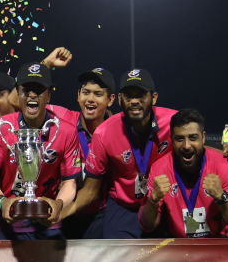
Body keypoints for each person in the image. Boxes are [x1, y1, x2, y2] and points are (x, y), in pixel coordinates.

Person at [61, 69, 175, 238]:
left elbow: (199, 148)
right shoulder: (104, 132)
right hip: (124, 205)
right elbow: (91, 190)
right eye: (129, 96)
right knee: (117, 256)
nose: (134, 101)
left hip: (164, 200)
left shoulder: (173, 122)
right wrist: (61, 213)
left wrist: (227, 155)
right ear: (120, 99)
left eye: (141, 95)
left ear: (154, 98)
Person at [0, 62, 81, 240]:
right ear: (18, 94)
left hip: (47, 223)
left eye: (39, 89)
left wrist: (59, 204)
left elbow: (69, 183)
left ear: (49, 95)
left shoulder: (65, 131)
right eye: (26, 89)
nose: (32, 95)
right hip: (5, 224)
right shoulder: (1, 127)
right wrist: (2, 201)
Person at [139, 109, 228, 238]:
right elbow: (146, 226)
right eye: (179, 139)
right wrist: (153, 201)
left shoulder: (223, 165)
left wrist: (221, 197)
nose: (187, 145)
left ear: (203, 137)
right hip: (180, 247)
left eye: (193, 138)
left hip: (219, 244)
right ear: (171, 139)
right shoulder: (159, 169)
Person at [57, 67, 118, 239]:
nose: (90, 99)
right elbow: (23, 101)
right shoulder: (64, 120)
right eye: (86, 92)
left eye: (98, 94)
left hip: (103, 216)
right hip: (65, 213)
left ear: (110, 99)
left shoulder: (118, 130)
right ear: (78, 95)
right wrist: (45, 64)